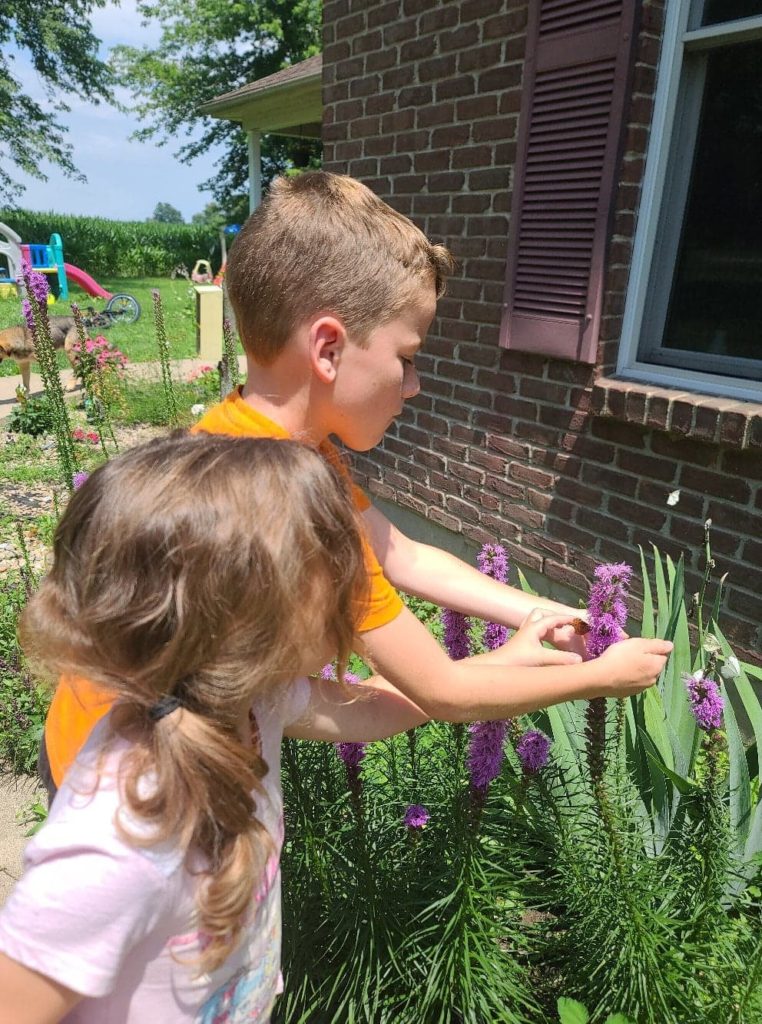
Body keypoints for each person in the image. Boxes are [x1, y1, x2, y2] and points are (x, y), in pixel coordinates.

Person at [40, 171, 673, 796]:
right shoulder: (285, 502)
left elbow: (402, 554)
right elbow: (443, 690)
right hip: (120, 795)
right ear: (328, 349)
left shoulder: (261, 442)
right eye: (407, 357)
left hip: (110, 743)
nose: (416, 384)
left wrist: (545, 612)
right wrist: (602, 675)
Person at [0, 434, 430, 1022]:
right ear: (246, 611)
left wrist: (504, 671)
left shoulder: (251, 704)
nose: (357, 579)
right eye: (330, 560)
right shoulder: (124, 833)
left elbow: (374, 707)